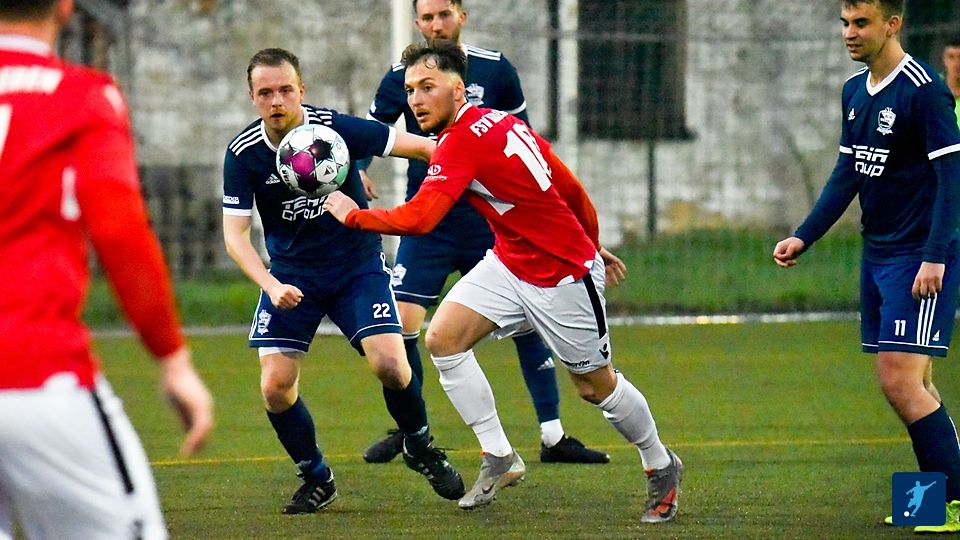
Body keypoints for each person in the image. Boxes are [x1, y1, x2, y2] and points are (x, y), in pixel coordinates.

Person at [324, 39, 682, 520]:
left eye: (428, 86)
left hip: (561, 275)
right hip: (511, 262)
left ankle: (661, 464)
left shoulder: (459, 143)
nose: (416, 100)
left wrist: (353, 215)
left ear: (458, 88)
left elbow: (421, 218)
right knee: (444, 338)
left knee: (595, 386)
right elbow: (569, 187)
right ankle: (499, 455)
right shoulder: (498, 120)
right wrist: (591, 238)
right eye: (409, 90)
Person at [357, 0, 609, 466]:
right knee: (403, 322)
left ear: (462, 15)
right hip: (429, 219)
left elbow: (527, 146)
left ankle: (552, 434)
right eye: (427, 17)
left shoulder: (496, 69)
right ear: (416, 22)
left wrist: (570, 231)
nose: (436, 25)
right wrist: (358, 168)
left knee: (529, 318)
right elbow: (372, 133)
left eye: (443, 14)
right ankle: (413, 431)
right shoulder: (400, 77)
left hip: (489, 223)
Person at [0, 1, 215, 538]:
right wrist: (172, 359)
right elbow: (120, 231)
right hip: (38, 376)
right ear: (65, 7)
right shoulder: (81, 95)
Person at [222, 47, 465, 514]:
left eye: (286, 90)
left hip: (357, 267)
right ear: (252, 97)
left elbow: (424, 147)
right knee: (275, 386)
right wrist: (270, 285)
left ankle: (418, 445)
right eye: (266, 93)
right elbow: (235, 237)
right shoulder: (244, 154)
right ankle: (317, 477)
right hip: (291, 277)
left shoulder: (334, 129)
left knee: (391, 366)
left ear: (302, 90)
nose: (277, 101)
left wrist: (466, 174)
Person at [773, 0, 960, 533]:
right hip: (877, 252)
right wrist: (804, 234)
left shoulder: (924, 90)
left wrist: (934, 256)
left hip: (918, 257)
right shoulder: (855, 91)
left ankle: (954, 500)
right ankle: (931, 503)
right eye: (845, 23)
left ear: (892, 24)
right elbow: (847, 173)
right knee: (916, 382)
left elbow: (952, 180)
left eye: (861, 23)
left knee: (899, 381)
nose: (849, 33)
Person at [942, 39, 960, 127]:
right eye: (951, 57)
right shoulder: (932, 89)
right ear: (944, 60)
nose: (957, 64)